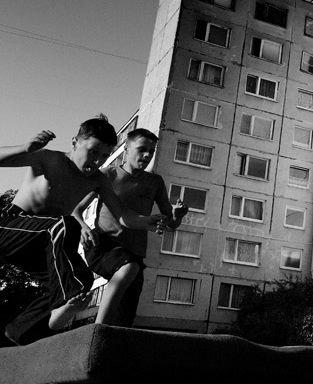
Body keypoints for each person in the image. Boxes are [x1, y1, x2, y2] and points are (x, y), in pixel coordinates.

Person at [0, 116, 164, 345]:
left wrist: (147, 221)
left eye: (105, 156)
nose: (97, 161)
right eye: (93, 152)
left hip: (40, 244)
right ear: (75, 142)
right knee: (65, 225)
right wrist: (25, 148)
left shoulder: (98, 179)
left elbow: (122, 215)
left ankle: (19, 331)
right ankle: (62, 302)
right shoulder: (49, 158)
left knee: (81, 280)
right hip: (11, 227)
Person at [73, 128, 188, 327]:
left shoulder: (155, 182)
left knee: (123, 319)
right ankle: (97, 329)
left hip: (134, 253)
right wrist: (83, 226)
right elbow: (76, 209)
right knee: (128, 266)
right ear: (126, 148)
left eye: (151, 151)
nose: (147, 155)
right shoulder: (107, 175)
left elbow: (169, 224)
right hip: (103, 245)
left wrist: (177, 217)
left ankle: (109, 334)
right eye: (142, 149)